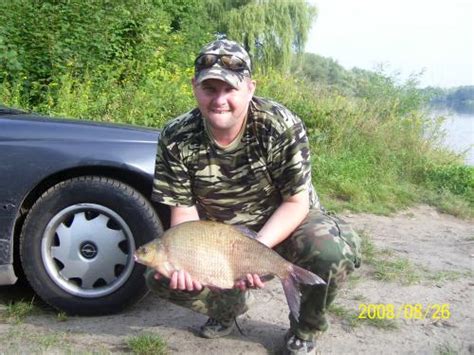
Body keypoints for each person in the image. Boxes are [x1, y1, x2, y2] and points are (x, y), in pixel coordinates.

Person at [146, 38, 361, 355]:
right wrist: (186, 264)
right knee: (160, 273)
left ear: (249, 87)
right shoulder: (176, 136)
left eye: (230, 89)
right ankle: (227, 307)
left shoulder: (279, 125)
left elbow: (296, 202)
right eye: (210, 89)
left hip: (284, 222)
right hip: (218, 237)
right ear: (194, 87)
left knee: (329, 250)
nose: (220, 100)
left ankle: (305, 327)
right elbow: (184, 213)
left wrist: (256, 252)